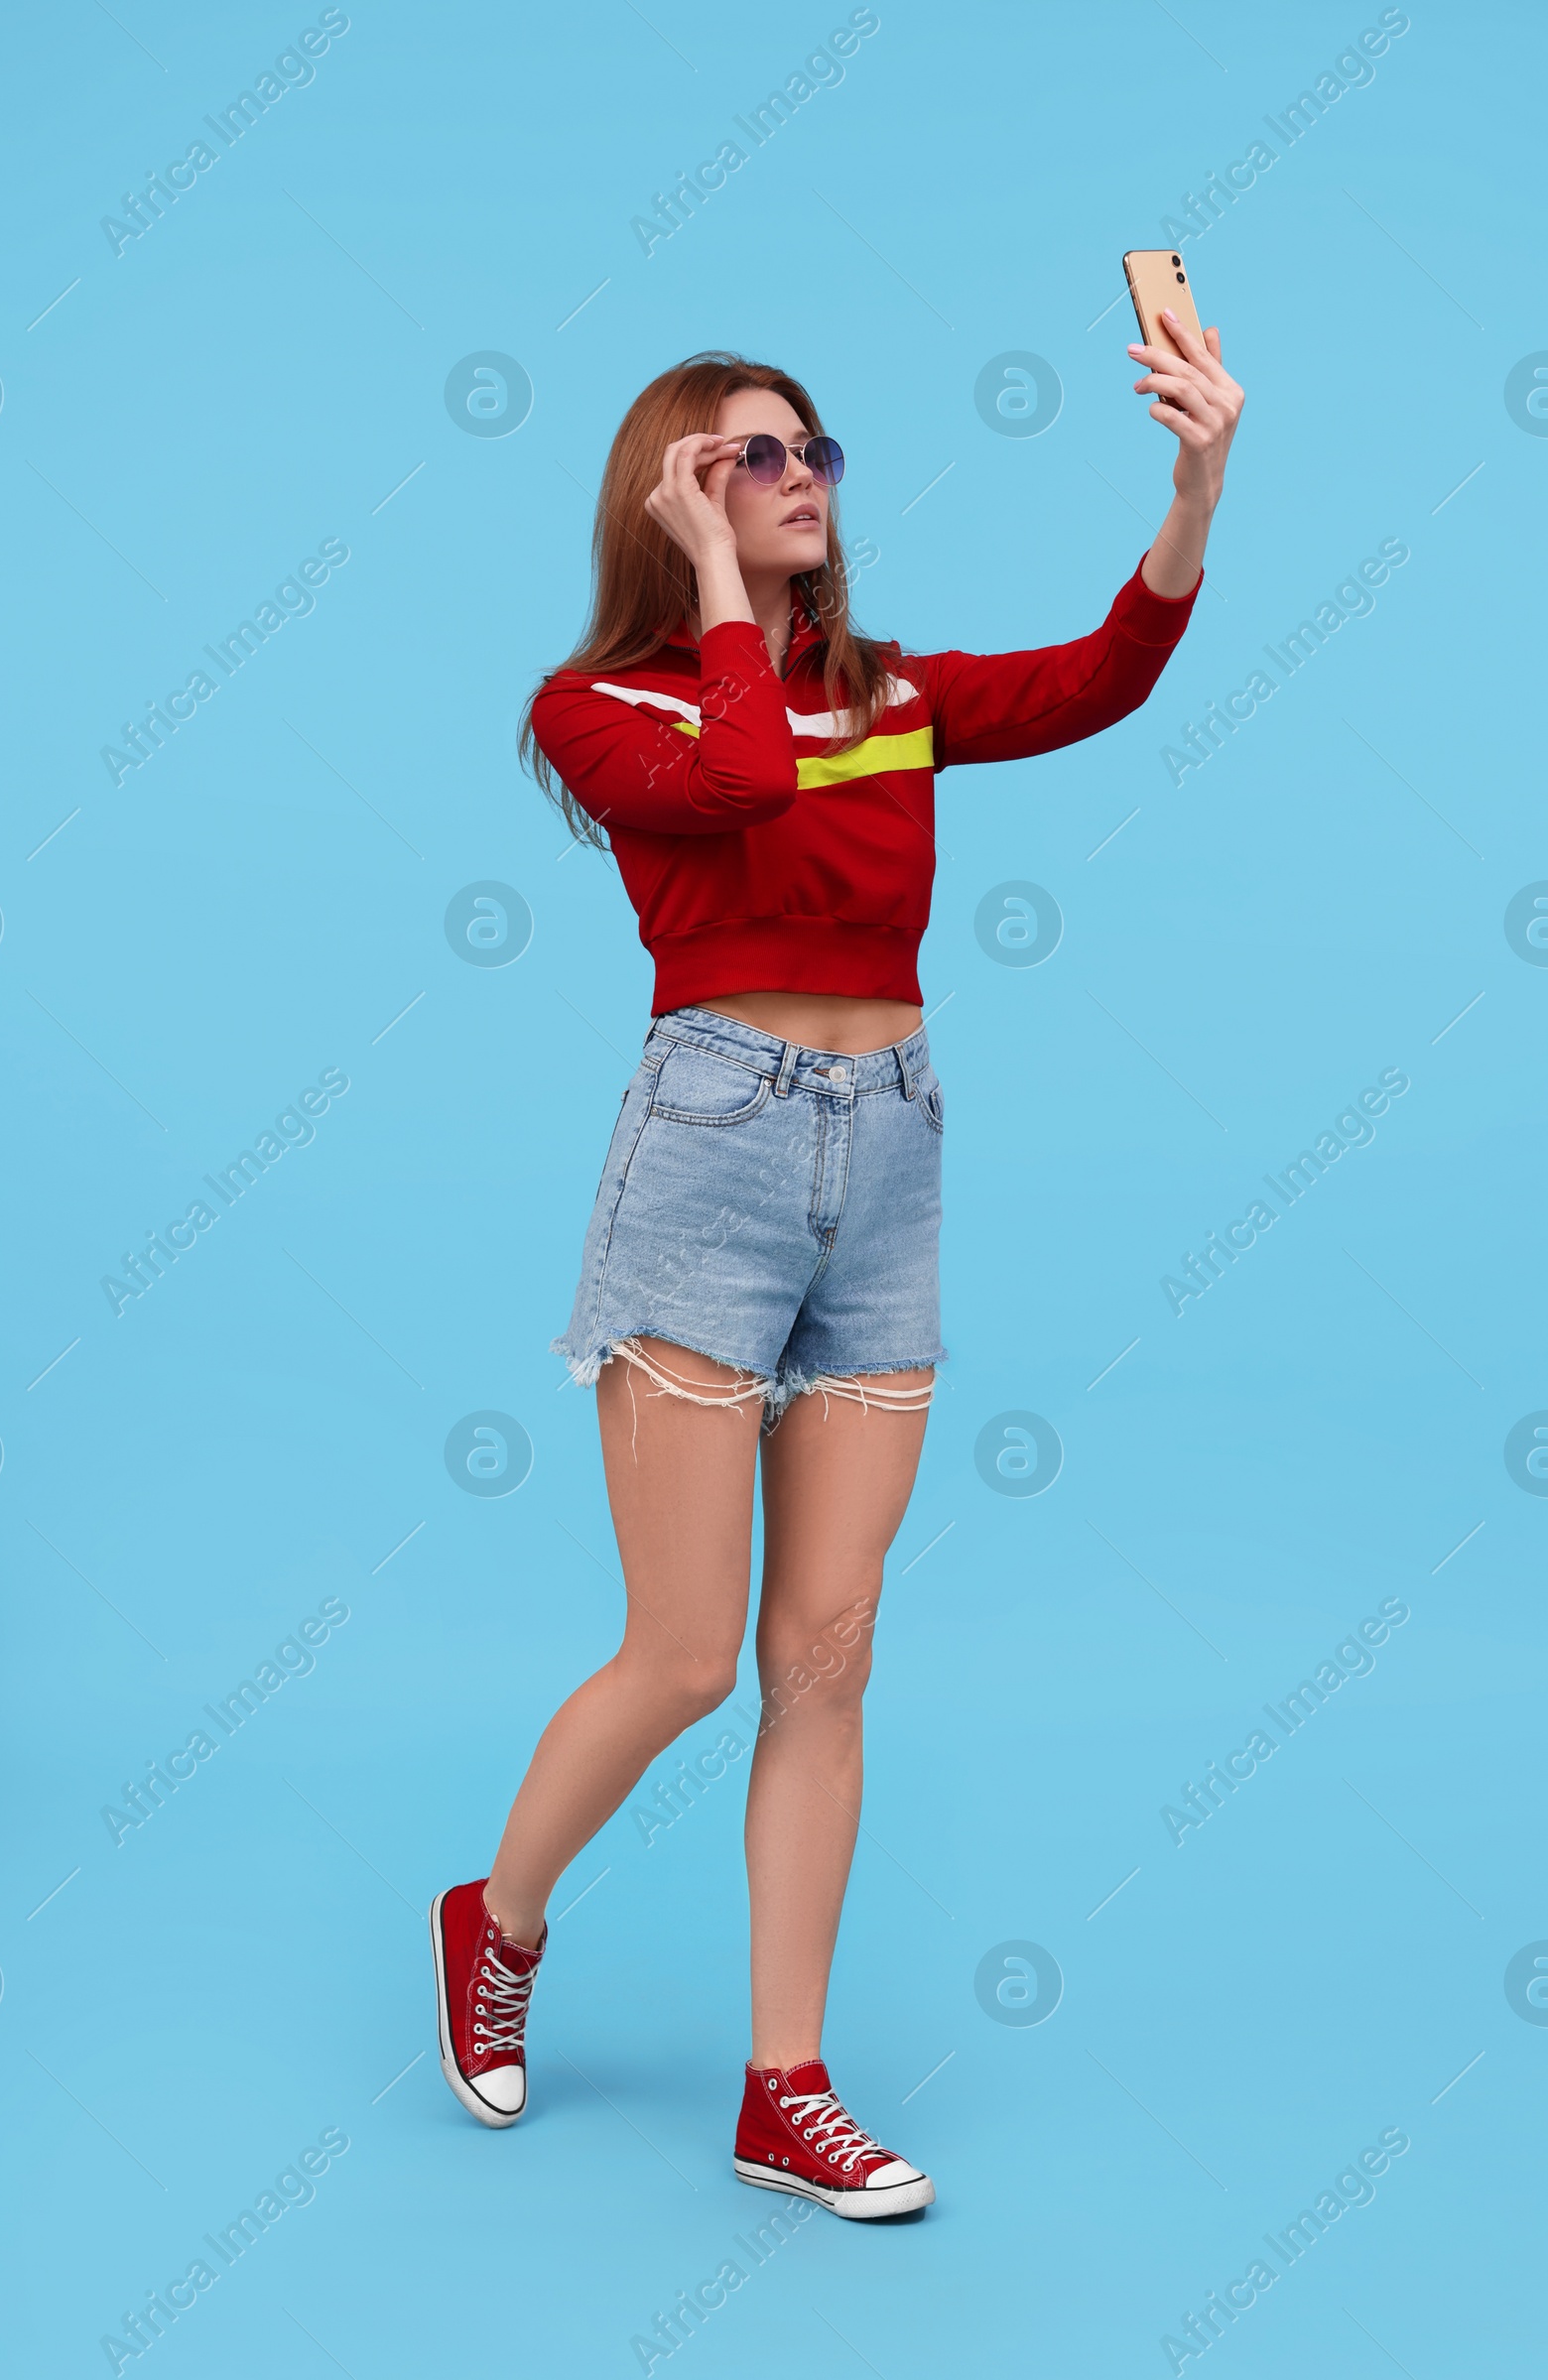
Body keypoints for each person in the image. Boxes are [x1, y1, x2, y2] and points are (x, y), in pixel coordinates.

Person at [431, 325, 1242, 2217]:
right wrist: (715, 591)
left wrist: (1197, 484)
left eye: (811, 450)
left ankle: (780, 2087)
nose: (801, 474)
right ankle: (501, 1913)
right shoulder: (594, 707)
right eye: (748, 457)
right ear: (670, 495)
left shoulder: (888, 688)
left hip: (890, 1149)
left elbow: (1100, 677)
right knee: (691, 1654)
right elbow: (726, 790)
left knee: (828, 1655)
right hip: (711, 1151)